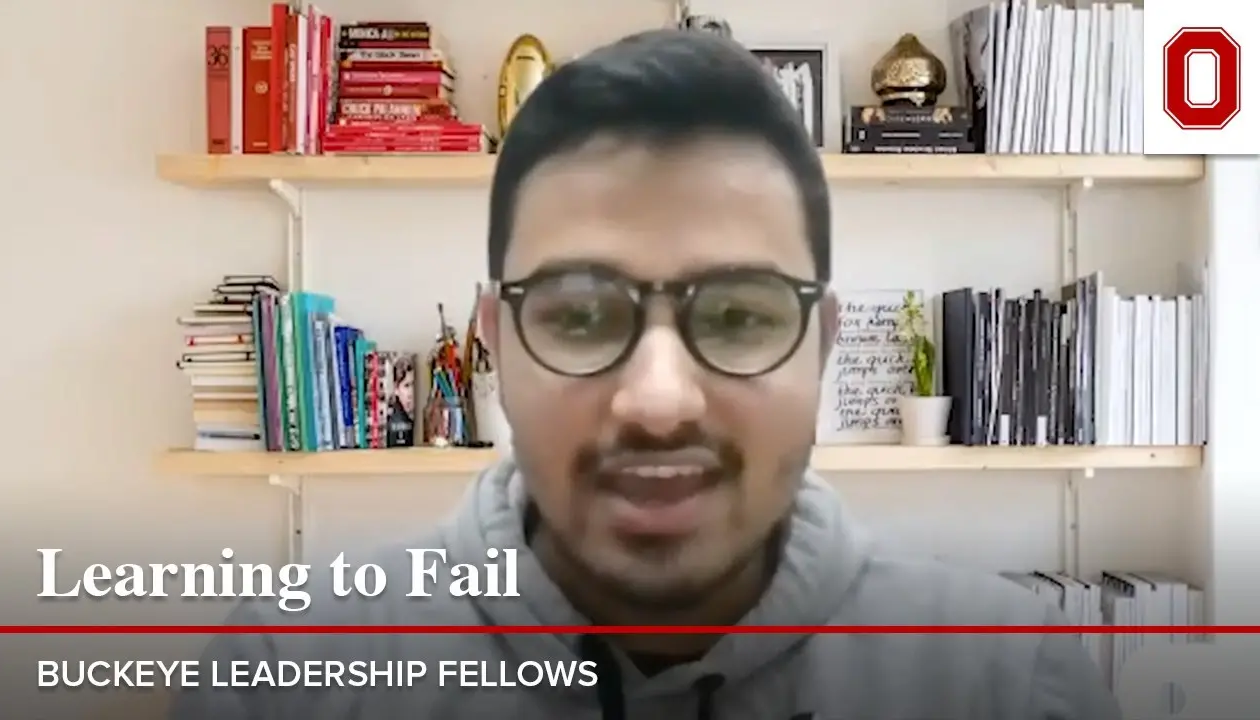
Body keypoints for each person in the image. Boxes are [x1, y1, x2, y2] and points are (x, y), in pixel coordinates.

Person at [171, 29, 1124, 720]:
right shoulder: (284, 672)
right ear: (494, 341)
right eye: (582, 314)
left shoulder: (1010, 680)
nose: (659, 399)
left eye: (740, 313)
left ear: (823, 345)